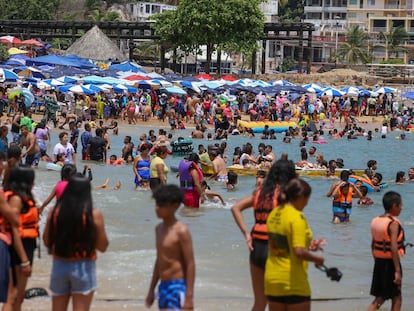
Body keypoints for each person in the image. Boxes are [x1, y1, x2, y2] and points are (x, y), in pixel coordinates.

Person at [231, 159, 297, 311]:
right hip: (275, 249)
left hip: (256, 247)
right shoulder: (284, 194)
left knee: (259, 303)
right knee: (280, 303)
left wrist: (246, 234)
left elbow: (236, 208)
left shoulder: (260, 192)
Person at [43, 174, 109, 311]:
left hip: (60, 264)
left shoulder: (54, 212)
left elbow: (47, 241)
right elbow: (103, 247)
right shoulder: (93, 215)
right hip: (83, 265)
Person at [265, 178, 325, 311]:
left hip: (272, 279)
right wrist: (318, 259)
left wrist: (309, 247)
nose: (306, 204)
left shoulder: (274, 213)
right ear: (301, 196)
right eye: (307, 199)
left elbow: (282, 245)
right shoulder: (297, 217)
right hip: (293, 281)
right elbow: (298, 252)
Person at [145, 184, 195, 310]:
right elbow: (159, 260)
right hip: (163, 286)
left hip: (178, 286)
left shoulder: (181, 231)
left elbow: (190, 264)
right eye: (156, 204)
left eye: (161, 205)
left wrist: (189, 296)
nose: (157, 208)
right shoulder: (158, 229)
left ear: (175, 206)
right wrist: (151, 290)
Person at [3, 166, 38, 311]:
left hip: (25, 246)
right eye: (31, 179)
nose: (33, 182)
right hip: (18, 248)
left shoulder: (22, 198)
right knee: (13, 295)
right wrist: (24, 260)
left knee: (18, 296)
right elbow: (14, 230)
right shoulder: (16, 199)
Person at [368, 191, 404, 311]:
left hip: (379, 263)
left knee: (380, 297)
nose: (401, 208)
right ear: (394, 206)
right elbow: (394, 248)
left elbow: (372, 245)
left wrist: (377, 262)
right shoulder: (393, 223)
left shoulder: (376, 220)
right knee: (396, 297)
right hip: (391, 264)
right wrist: (397, 271)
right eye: (400, 205)